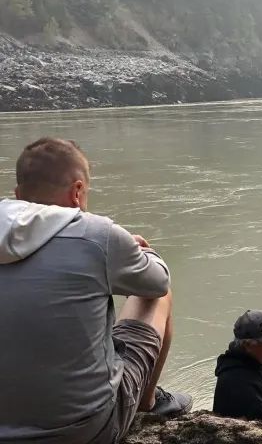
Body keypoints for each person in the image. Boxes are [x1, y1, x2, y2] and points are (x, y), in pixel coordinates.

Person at [0, 138, 192, 444]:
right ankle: (147, 402)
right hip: (87, 430)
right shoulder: (97, 235)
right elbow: (157, 282)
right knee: (156, 295)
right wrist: (138, 248)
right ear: (77, 192)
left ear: (18, 194)